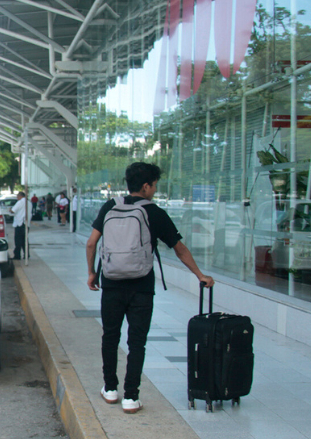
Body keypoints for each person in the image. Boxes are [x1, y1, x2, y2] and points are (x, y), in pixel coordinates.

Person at [85, 162, 214, 414]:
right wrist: (200, 275)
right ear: (146, 186)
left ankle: (110, 389)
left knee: (110, 336)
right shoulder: (154, 212)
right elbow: (179, 248)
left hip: (111, 283)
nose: (155, 190)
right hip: (141, 286)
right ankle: (131, 397)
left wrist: (92, 273)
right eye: (154, 185)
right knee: (137, 341)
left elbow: (91, 244)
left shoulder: (110, 206)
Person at [11, 191, 28, 260]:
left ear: (20, 196)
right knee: (25, 240)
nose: (17, 198)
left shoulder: (20, 202)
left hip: (19, 223)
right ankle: (26, 254)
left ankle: (17, 255)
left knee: (18, 240)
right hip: (26, 223)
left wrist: (10, 210)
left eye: (17, 196)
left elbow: (13, 210)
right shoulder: (28, 202)